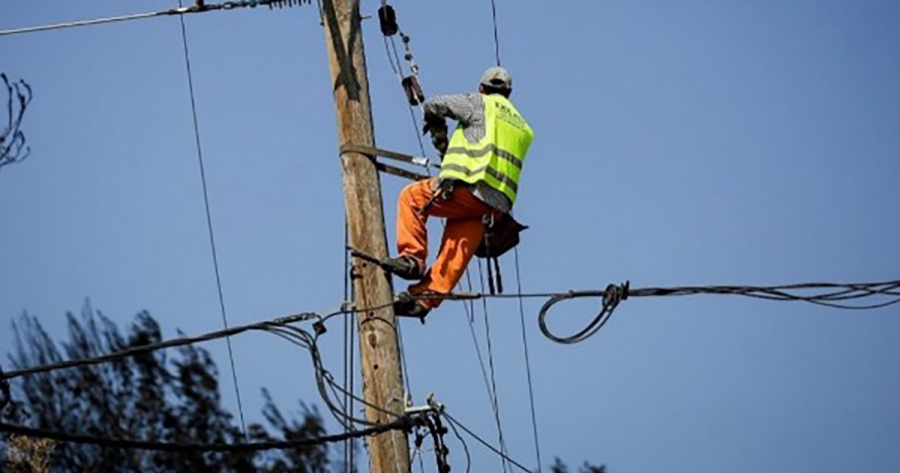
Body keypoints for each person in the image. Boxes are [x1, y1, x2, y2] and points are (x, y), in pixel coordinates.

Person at [385, 66, 534, 319]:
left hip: (472, 190)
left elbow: (435, 104)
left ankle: (412, 259)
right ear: (508, 93)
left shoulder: (479, 103)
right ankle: (424, 300)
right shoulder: (522, 125)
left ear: (482, 88)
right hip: (496, 207)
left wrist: (438, 130)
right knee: (457, 247)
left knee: (411, 197)